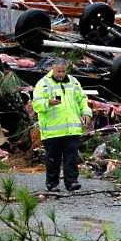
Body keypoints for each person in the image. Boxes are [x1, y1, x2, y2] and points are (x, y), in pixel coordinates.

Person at [32, 58, 92, 191]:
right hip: (53, 131)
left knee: (71, 158)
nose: (60, 74)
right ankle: (52, 184)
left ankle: (72, 182)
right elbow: (36, 105)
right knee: (53, 159)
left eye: (63, 71)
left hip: (72, 129)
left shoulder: (73, 82)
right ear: (52, 69)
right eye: (58, 71)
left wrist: (87, 113)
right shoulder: (43, 84)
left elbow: (82, 99)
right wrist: (48, 103)